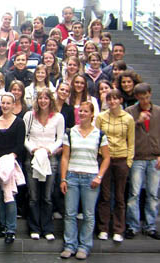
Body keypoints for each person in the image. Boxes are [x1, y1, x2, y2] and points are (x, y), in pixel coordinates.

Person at [59, 101, 110, 260]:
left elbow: (107, 157)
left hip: (91, 178)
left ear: (92, 114)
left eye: (85, 111)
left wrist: (99, 176)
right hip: (73, 176)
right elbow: (65, 157)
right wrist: (63, 178)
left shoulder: (100, 134)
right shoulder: (70, 132)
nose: (82, 114)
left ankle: (84, 246)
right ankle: (69, 245)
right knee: (70, 213)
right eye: (80, 111)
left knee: (88, 214)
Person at [23, 88, 65, 241]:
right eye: (40, 98)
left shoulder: (58, 117)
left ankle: (47, 228)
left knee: (47, 196)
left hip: (50, 158)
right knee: (34, 196)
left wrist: (50, 149)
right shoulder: (29, 116)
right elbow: (25, 137)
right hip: (33, 158)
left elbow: (60, 138)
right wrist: (32, 148)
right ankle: (34, 227)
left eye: (46, 98)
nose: (43, 101)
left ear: (50, 100)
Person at [96, 89, 135, 242]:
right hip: (104, 159)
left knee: (119, 196)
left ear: (120, 100)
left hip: (121, 158)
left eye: (115, 99)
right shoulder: (101, 117)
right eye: (109, 99)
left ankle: (118, 229)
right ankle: (103, 228)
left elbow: (131, 141)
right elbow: (96, 138)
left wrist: (129, 162)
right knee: (105, 195)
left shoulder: (128, 118)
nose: (112, 102)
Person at [125, 83, 160, 240]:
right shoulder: (130, 112)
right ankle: (133, 226)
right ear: (136, 98)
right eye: (141, 98)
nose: (145, 101)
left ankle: (150, 226)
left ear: (150, 94)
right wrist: (137, 121)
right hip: (137, 157)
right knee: (134, 193)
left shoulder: (158, 111)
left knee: (153, 194)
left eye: (146, 97)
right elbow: (125, 132)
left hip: (154, 157)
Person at [0, 93, 26, 244]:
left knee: (9, 197)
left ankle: (11, 229)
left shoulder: (19, 123)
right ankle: (3, 226)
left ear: (13, 105)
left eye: (8, 103)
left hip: (11, 164)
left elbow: (20, 145)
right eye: (3, 103)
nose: (5, 106)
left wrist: (10, 159)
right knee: (0, 197)